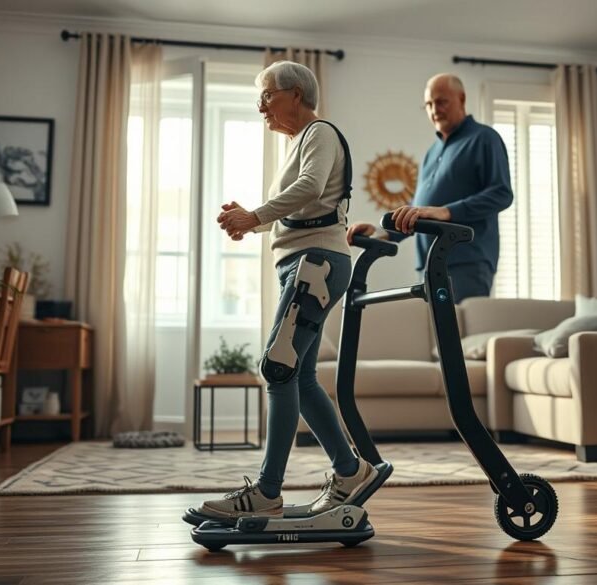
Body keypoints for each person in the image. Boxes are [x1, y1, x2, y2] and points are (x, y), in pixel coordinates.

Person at [199, 61, 377, 519]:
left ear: (295, 94)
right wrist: (253, 223)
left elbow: (310, 188)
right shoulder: (301, 142)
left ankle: (267, 492)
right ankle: (351, 470)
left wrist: (254, 216)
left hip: (315, 264)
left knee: (277, 369)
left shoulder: (319, 132)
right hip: (306, 263)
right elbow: (306, 209)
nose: (261, 105)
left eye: (267, 95)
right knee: (298, 375)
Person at [346, 73, 513, 303]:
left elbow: (502, 193)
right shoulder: (431, 152)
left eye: (442, 101)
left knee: (460, 337)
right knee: (436, 338)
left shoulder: (485, 138)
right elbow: (417, 212)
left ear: (462, 99)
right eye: (429, 104)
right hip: (428, 264)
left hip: (467, 262)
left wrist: (446, 212)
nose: (435, 109)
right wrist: (378, 232)